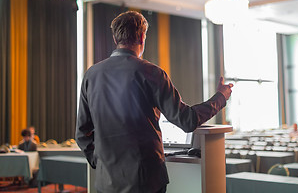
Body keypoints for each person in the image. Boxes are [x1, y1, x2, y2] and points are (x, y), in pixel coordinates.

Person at [75, 11, 233, 193]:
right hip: (145, 181)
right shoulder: (152, 73)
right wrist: (221, 97)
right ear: (142, 37)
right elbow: (186, 120)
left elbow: (82, 133)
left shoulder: (91, 75)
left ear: (114, 38)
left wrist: (99, 161)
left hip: (106, 182)